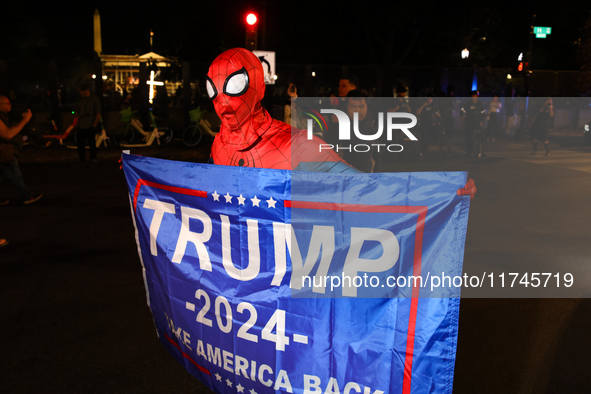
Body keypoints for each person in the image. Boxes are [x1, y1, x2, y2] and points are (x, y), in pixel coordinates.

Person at [206, 48, 476, 198]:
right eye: (212, 90)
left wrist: (443, 191)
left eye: (234, 85)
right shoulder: (219, 145)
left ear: (257, 87)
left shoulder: (297, 145)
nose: (222, 101)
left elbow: (367, 189)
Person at [0, 95, 43, 204]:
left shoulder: (4, 116)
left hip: (4, 150)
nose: (10, 105)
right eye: (7, 103)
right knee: (14, 174)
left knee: (9, 174)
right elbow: (7, 134)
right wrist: (25, 120)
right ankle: (27, 196)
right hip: (3, 152)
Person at [342, 90, 380, 173]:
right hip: (345, 181)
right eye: (353, 106)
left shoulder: (371, 131)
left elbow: (376, 160)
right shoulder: (337, 130)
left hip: (367, 182)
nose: (357, 111)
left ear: (366, 108)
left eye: (361, 107)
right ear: (346, 107)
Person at [73, 84, 102, 167]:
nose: (82, 94)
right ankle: (82, 159)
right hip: (81, 124)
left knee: (92, 143)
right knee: (80, 143)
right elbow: (77, 110)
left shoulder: (94, 99)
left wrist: (95, 123)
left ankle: (93, 158)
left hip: (90, 124)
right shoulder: (80, 99)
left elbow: (98, 112)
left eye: (82, 92)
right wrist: (76, 114)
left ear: (86, 90)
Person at [461, 91, 485, 157]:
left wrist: (482, 120)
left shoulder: (479, 104)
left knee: (480, 137)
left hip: (477, 122)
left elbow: (483, 112)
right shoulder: (468, 104)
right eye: (473, 96)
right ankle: (469, 151)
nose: (474, 97)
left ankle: (480, 151)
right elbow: (462, 110)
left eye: (475, 96)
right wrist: (462, 115)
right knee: (469, 136)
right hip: (469, 122)